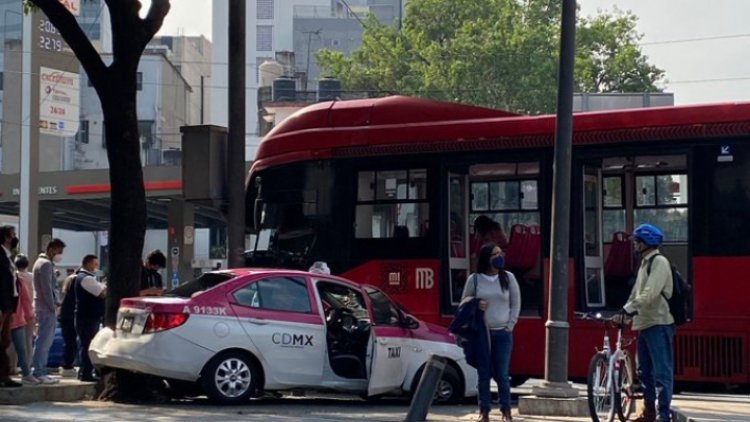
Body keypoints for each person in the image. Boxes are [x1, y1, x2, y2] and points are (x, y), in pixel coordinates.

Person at [614, 224, 674, 422]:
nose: (635, 246)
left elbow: (649, 295)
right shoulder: (644, 264)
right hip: (644, 324)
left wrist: (629, 309)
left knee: (661, 372)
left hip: (658, 323)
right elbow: (636, 294)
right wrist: (625, 313)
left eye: (637, 242)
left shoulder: (659, 262)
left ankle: (663, 415)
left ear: (646, 242)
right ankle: (649, 412)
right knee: (645, 373)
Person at [461, 243, 521, 422]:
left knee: (502, 374)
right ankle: (484, 411)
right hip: (482, 334)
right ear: (486, 258)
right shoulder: (475, 279)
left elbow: (515, 304)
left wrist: (510, 325)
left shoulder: (508, 278)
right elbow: (464, 303)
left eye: (500, 253)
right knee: (484, 374)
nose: (499, 256)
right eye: (495, 254)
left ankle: (506, 411)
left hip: (503, 333)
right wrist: (475, 303)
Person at [31, 238, 66, 384]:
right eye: (59, 251)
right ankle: (39, 371)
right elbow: (46, 290)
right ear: (51, 249)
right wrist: (54, 307)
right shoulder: (45, 264)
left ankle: (40, 371)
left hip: (42, 307)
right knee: (44, 342)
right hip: (46, 308)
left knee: (43, 340)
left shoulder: (42, 263)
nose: (61, 254)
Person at [73, 255, 105, 382]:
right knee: (88, 345)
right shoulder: (86, 279)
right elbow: (101, 293)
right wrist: (104, 288)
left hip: (86, 317)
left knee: (86, 344)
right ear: (88, 264)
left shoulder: (85, 278)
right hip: (88, 317)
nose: (96, 267)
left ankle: (84, 371)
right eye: (94, 264)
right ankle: (86, 373)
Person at [9, 255, 37, 385]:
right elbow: (26, 299)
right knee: (24, 346)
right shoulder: (26, 278)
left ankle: (12, 368)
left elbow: (24, 298)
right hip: (21, 317)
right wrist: (30, 314)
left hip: (15, 318)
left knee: (13, 347)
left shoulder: (17, 280)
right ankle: (26, 372)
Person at [0, 225, 21, 388]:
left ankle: (4, 375)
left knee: (4, 341)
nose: (15, 238)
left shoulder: (8, 256)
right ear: (7, 237)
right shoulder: (1, 255)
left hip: (8, 304)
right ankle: (4, 375)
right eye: (13, 235)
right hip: (3, 304)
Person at [15, 255, 35, 370]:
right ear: (27, 264)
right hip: (29, 311)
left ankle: (13, 366)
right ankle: (27, 366)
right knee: (28, 340)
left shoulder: (14, 276)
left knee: (13, 342)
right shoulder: (31, 277)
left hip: (16, 312)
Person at [58, 270, 78, 377]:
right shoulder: (75, 283)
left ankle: (67, 364)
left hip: (65, 316)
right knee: (70, 341)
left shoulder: (68, 287)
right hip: (69, 317)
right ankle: (67, 365)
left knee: (69, 341)